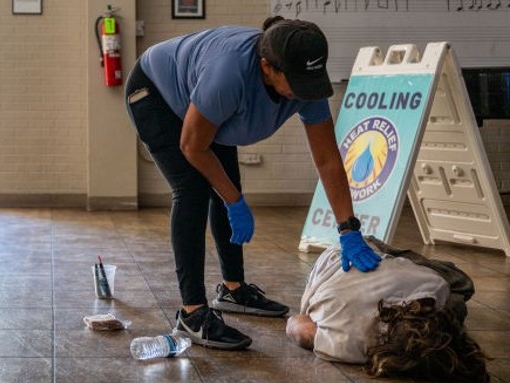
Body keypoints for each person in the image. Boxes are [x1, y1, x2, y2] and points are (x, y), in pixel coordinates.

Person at [124, 16, 382, 350]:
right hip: (154, 92)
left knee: (226, 184)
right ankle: (192, 313)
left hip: (202, 101)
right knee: (193, 190)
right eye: (297, 82)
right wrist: (234, 201)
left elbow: (328, 160)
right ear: (267, 67)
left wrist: (348, 229)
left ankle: (233, 290)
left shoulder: (306, 81)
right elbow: (192, 146)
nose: (304, 92)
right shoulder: (229, 76)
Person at [286, 238, 489, 383]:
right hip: (347, 257)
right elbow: (296, 325)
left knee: (459, 285)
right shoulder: (348, 345)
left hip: (358, 254)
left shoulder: (435, 286)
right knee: (462, 286)